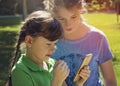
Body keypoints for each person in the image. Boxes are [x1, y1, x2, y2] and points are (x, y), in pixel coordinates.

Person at [44, 0, 117, 86]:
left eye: (73, 17)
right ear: (53, 16)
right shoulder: (48, 40)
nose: (68, 24)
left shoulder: (97, 38)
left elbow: (110, 80)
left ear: (81, 11)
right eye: (61, 18)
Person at [8, 10, 71, 86]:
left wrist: (79, 82)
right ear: (29, 41)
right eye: (48, 44)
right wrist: (56, 81)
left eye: (55, 43)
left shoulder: (52, 63)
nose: (53, 49)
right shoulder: (20, 71)